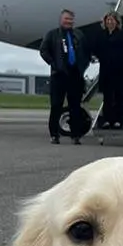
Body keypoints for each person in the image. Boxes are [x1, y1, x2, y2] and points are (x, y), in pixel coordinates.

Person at [40, 8, 91, 145]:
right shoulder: (52, 34)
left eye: (71, 19)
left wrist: (83, 66)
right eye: (66, 19)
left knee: (75, 106)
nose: (69, 21)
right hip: (59, 75)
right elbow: (43, 51)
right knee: (56, 105)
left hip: (75, 75)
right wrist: (53, 64)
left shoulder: (78, 35)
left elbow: (86, 52)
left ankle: (76, 135)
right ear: (61, 20)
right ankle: (54, 134)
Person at [94, 12, 123, 129]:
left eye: (112, 20)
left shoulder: (122, 35)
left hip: (118, 70)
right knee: (107, 97)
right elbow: (96, 48)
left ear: (117, 22)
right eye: (108, 20)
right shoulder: (101, 35)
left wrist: (118, 57)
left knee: (119, 96)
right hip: (106, 70)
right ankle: (107, 119)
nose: (109, 22)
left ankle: (118, 120)